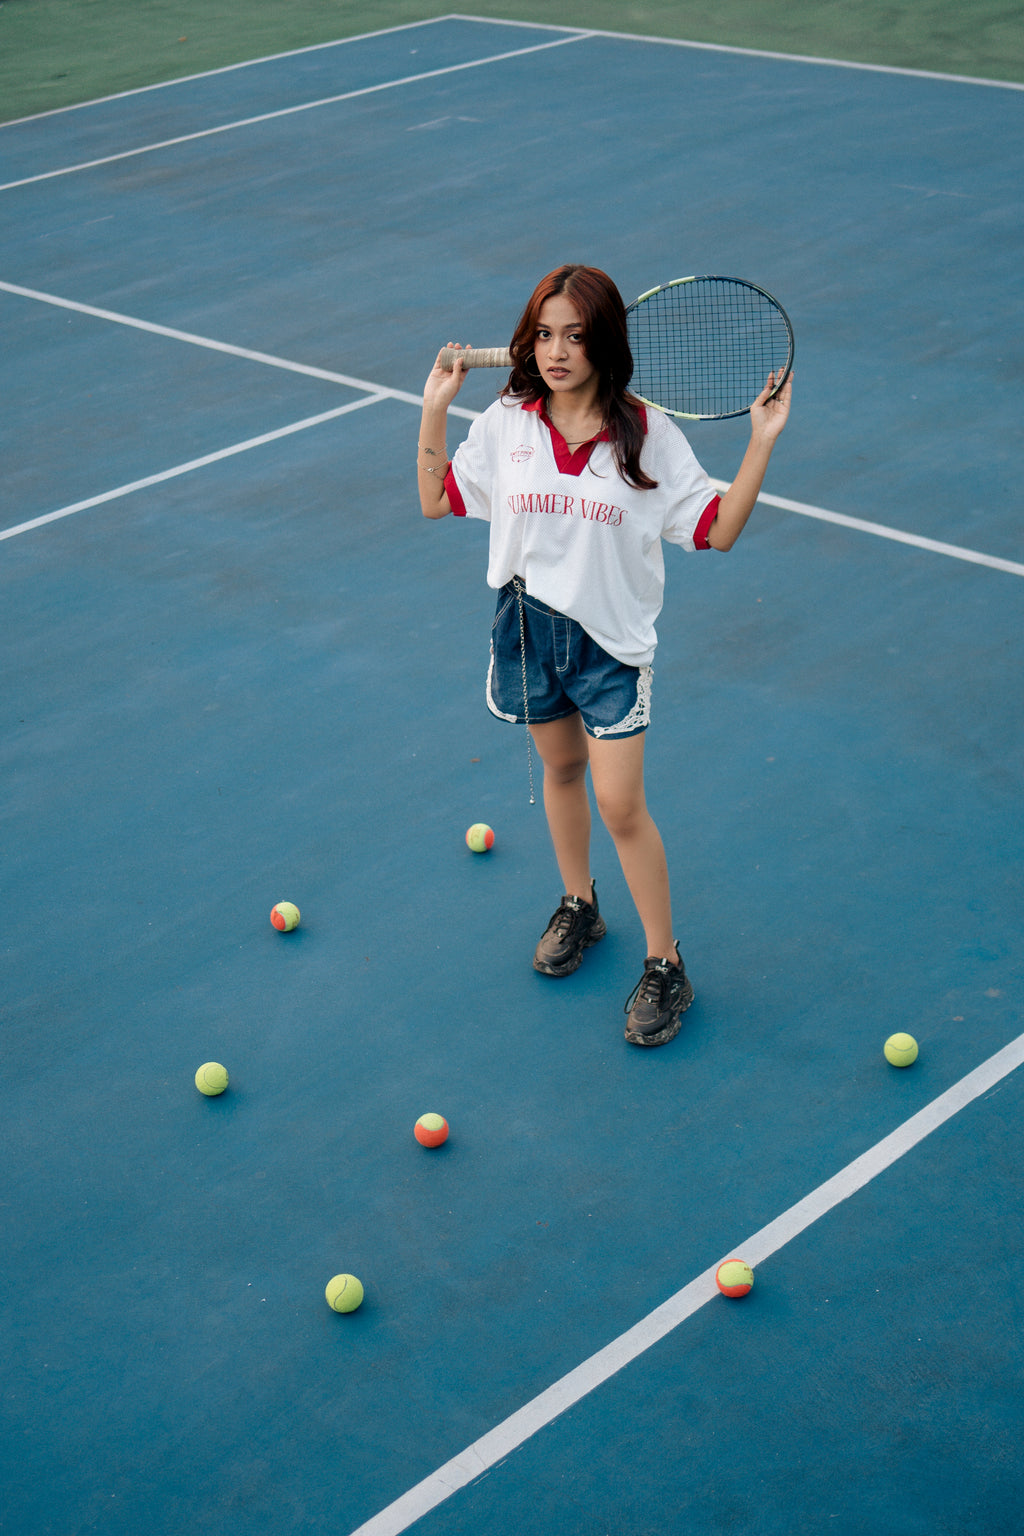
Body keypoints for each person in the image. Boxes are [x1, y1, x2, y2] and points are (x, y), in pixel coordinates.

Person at [417, 264, 792, 1047]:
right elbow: (439, 497)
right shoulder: (509, 420)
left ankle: (666, 963)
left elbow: (717, 529)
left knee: (621, 806)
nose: (556, 351)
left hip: (609, 650)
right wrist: (434, 412)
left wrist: (760, 443)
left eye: (575, 336)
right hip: (525, 628)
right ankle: (580, 906)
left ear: (605, 343)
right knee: (560, 770)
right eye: (544, 334)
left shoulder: (648, 436)